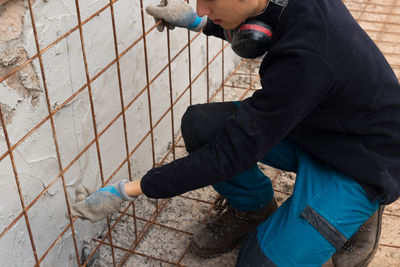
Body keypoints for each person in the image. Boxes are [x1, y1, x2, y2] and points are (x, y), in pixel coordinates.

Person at [70, 0, 400, 265]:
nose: (200, 7)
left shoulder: (307, 57)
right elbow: (263, 23)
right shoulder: (286, 7)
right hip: (315, 126)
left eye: (209, 1)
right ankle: (253, 208)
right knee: (202, 125)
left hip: (364, 161)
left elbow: (232, 153)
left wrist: (130, 189)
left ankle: (362, 208)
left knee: (259, 262)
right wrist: (203, 24)